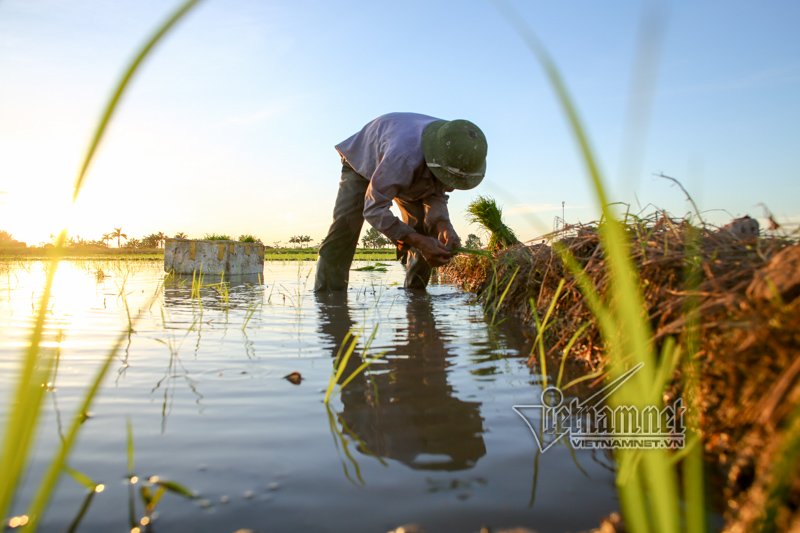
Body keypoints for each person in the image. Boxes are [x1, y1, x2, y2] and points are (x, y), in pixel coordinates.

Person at [314, 112, 488, 292]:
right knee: (345, 228)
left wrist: (443, 224)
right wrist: (410, 238)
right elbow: (374, 209)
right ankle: (329, 299)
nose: (451, 188)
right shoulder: (403, 157)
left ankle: (416, 296)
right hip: (364, 159)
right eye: (449, 180)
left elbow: (436, 192)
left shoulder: (455, 148)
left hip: (413, 163)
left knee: (423, 229)